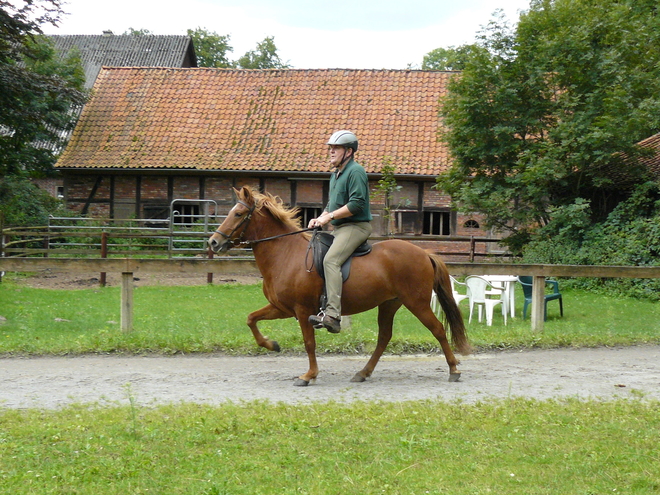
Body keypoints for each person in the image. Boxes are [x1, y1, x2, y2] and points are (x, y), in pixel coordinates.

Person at [308, 130, 373, 333]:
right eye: (330, 148)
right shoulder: (335, 175)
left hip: (356, 227)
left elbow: (357, 204)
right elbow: (333, 203)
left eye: (335, 148)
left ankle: (333, 315)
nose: (331, 152)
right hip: (340, 227)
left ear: (349, 151)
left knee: (331, 260)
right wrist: (321, 218)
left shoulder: (356, 171)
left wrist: (330, 216)